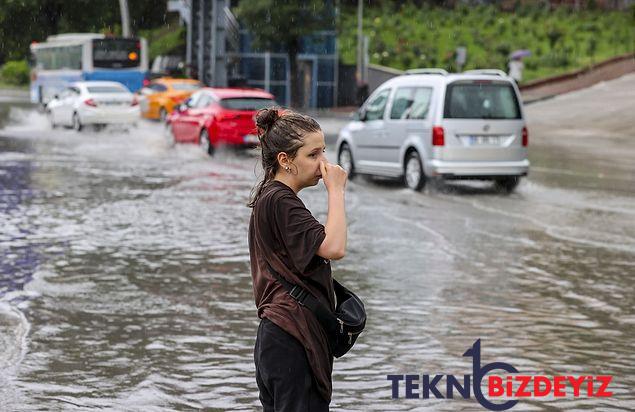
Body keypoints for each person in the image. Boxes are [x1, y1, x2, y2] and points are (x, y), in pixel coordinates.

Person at [248, 108, 348, 411]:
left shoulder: (273, 196)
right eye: (313, 155)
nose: (324, 164)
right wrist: (337, 192)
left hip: (281, 335)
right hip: (291, 337)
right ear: (285, 160)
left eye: (324, 152)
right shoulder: (280, 200)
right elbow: (334, 247)